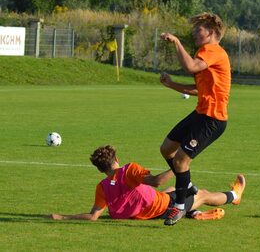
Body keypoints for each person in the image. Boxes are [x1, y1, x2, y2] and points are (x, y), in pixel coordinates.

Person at [159, 12, 239, 226]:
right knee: (167, 149)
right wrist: (172, 84)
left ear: (211, 33)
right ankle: (189, 186)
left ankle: (180, 207)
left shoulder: (211, 51)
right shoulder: (208, 53)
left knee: (181, 160)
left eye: (199, 29)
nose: (194, 32)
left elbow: (191, 67)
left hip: (212, 120)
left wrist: (175, 41)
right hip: (201, 114)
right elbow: (199, 90)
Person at [49, 145, 246, 222]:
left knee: (174, 190)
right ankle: (235, 196)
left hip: (143, 213)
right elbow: (157, 181)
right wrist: (179, 166)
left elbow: (93, 216)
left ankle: (193, 212)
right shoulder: (129, 170)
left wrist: (62, 217)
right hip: (163, 208)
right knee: (201, 193)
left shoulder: (101, 186)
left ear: (99, 169)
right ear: (116, 157)